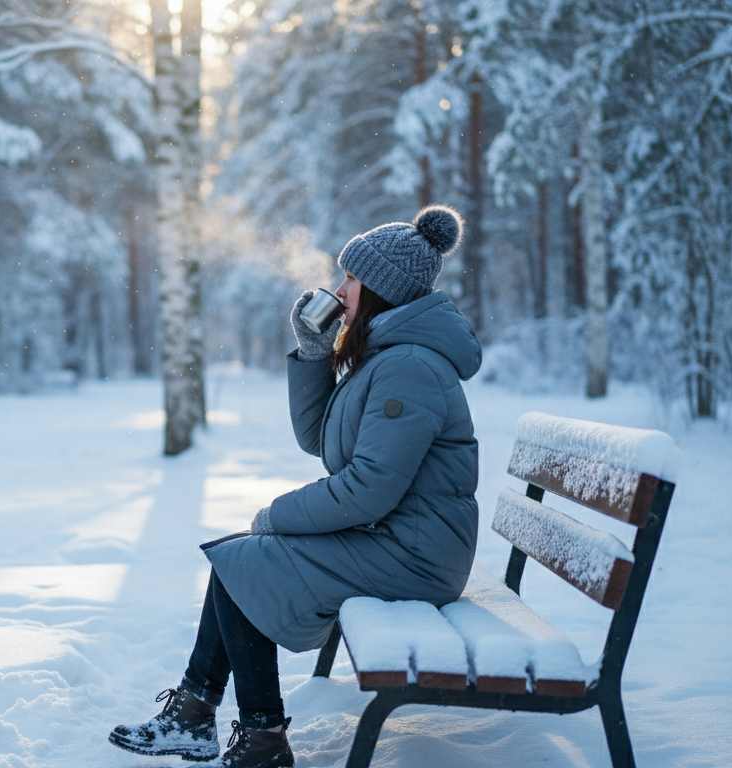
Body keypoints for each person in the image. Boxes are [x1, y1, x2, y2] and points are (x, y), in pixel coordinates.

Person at [108, 205, 483, 767]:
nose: (340, 289)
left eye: (352, 278)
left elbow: (368, 488)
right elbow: (320, 440)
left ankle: (259, 740)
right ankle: (195, 715)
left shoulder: (409, 366)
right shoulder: (386, 354)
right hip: (398, 538)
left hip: (416, 554)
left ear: (380, 289)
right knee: (240, 557)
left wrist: (274, 515)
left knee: (250, 560)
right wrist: (314, 353)